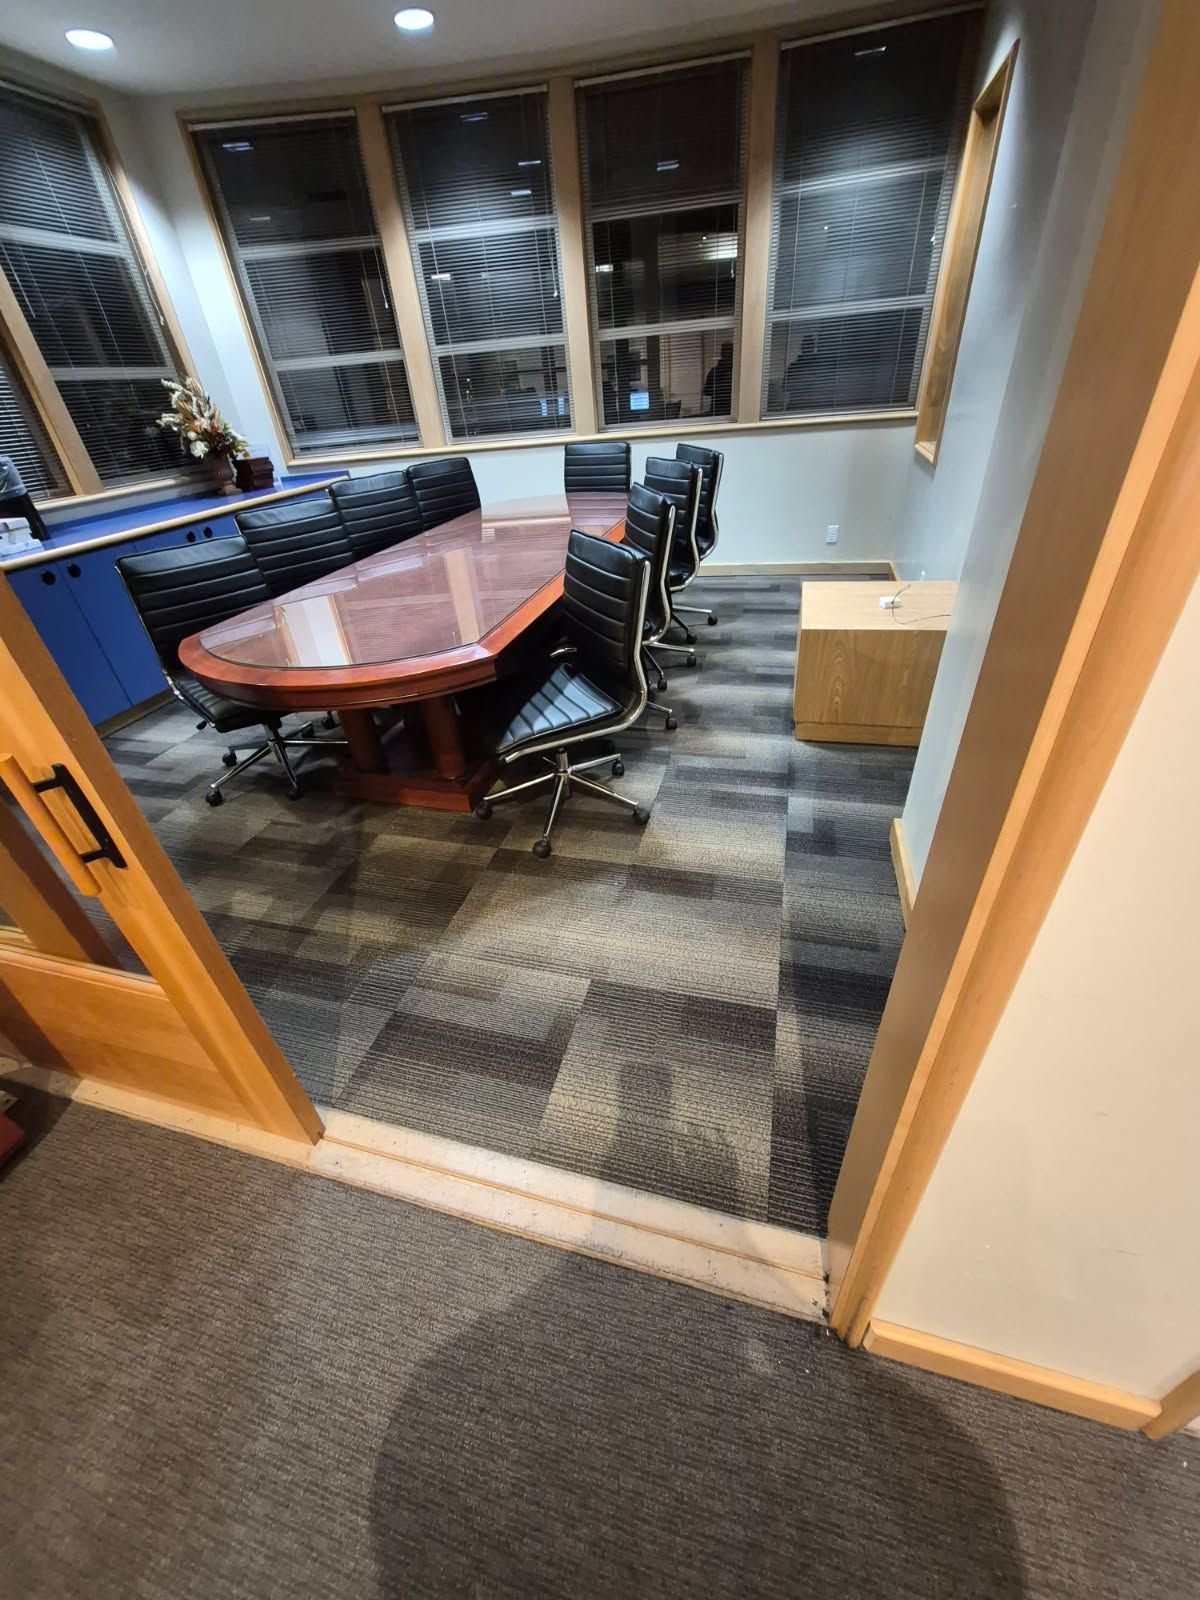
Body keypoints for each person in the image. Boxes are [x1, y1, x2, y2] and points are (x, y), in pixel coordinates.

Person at [703, 341, 734, 416]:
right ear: (721, 353)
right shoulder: (715, 371)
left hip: (734, 411)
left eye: (729, 351)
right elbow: (706, 391)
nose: (727, 354)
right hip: (718, 411)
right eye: (725, 351)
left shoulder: (738, 371)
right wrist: (722, 384)